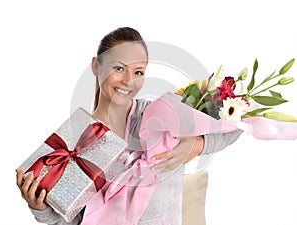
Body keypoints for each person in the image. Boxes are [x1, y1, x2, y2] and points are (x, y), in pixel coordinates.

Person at [16, 27, 243, 225]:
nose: (128, 81)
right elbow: (79, 220)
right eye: (118, 68)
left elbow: (236, 124)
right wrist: (41, 210)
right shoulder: (74, 140)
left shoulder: (163, 115)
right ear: (96, 66)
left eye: (138, 72)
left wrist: (197, 144)